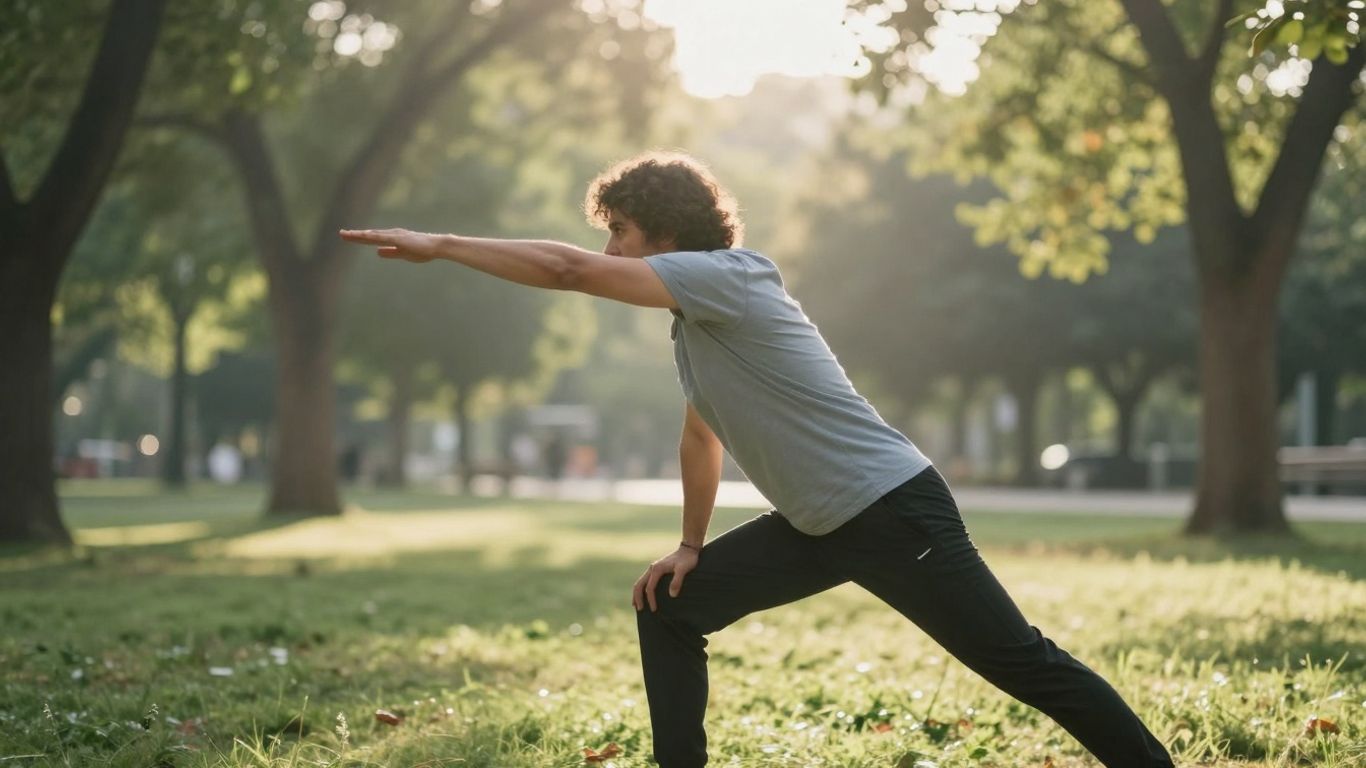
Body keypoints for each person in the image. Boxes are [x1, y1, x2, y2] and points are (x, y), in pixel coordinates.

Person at [340, 151, 1173, 768]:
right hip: (819, 524)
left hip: (890, 509)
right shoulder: (696, 328)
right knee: (669, 606)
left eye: (621, 232)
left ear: (666, 232)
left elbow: (564, 269)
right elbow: (700, 436)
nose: (613, 251)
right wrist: (691, 546)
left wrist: (442, 243)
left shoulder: (730, 279)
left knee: (1021, 663)